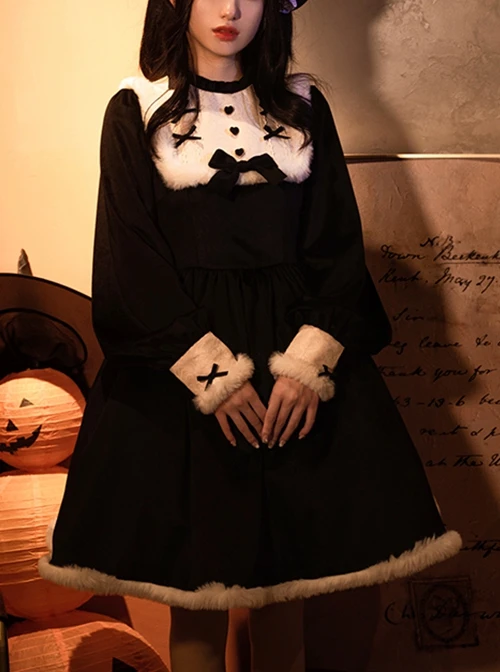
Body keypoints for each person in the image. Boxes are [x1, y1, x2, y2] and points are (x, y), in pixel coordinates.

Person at [38, 0, 462, 670]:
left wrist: (307, 367)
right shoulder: (136, 109)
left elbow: (336, 246)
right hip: (180, 374)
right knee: (196, 592)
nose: (230, 8)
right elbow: (129, 260)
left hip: (293, 368)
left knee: (287, 582)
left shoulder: (303, 107)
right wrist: (212, 377)